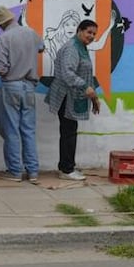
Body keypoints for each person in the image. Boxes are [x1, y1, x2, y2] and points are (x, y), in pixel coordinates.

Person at [0, 5, 44, 183]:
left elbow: (0, 69)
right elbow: (42, 47)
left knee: (11, 130)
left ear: (0, 24)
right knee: (28, 130)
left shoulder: (3, 39)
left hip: (11, 86)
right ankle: (33, 172)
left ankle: (14, 171)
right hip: (29, 86)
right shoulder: (31, 33)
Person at [45, 19, 101, 181]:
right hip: (65, 96)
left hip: (72, 95)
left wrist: (94, 97)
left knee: (69, 131)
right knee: (68, 132)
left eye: (94, 34)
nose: (91, 36)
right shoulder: (71, 48)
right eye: (89, 32)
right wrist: (86, 88)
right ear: (79, 31)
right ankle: (66, 169)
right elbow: (68, 73)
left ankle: (67, 166)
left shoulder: (81, 47)